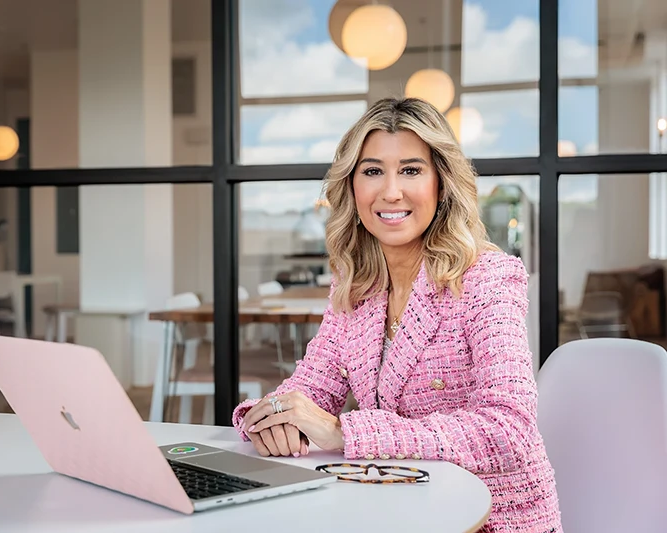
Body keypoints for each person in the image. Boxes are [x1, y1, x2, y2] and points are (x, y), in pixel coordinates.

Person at [233, 97, 562, 532]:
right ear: (352, 186)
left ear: (440, 183)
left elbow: (509, 430)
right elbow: (311, 388)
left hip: (488, 521)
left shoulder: (487, 277)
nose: (391, 191)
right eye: (372, 171)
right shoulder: (356, 285)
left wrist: (344, 432)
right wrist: (269, 417)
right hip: (396, 510)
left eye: (410, 170)